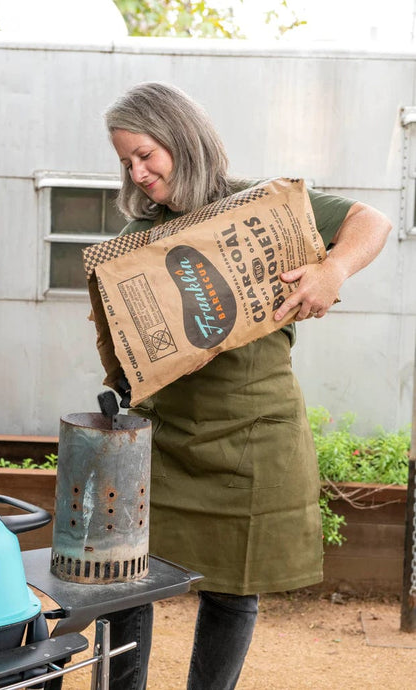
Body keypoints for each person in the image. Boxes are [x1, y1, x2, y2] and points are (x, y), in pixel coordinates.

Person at [100, 82, 392, 690]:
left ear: (182, 138)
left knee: (234, 590)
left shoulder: (261, 205)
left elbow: (373, 220)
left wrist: (332, 268)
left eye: (146, 153)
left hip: (254, 427)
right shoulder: (139, 233)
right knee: (128, 580)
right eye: (126, 159)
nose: (138, 170)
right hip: (168, 433)